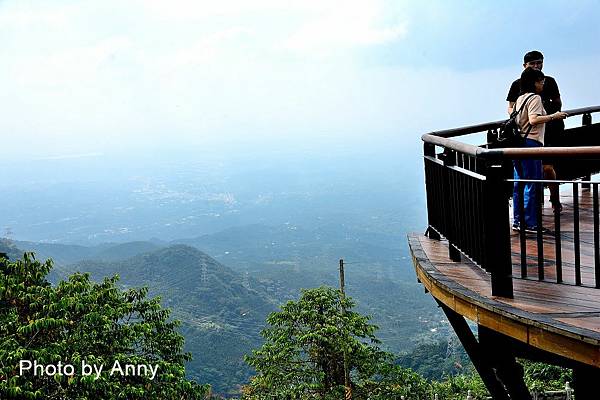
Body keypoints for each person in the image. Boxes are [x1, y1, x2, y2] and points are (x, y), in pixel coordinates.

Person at [507, 50, 565, 212]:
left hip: (549, 130)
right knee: (529, 174)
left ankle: (554, 198)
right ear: (524, 66)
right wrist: (522, 119)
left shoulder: (549, 81)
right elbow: (511, 107)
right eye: (532, 64)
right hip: (527, 133)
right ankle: (533, 209)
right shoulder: (517, 85)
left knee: (547, 167)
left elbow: (558, 102)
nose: (536, 66)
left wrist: (549, 115)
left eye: (539, 63)